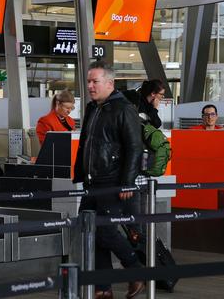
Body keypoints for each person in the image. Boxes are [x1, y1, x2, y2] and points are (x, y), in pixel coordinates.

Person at [74, 61, 144, 299]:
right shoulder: (92, 108)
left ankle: (135, 270)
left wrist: (127, 182)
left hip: (112, 181)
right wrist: (81, 174)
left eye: (95, 81)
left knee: (104, 231)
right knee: (90, 232)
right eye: (89, 81)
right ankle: (103, 288)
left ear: (110, 83)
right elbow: (86, 143)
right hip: (92, 182)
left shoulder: (123, 109)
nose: (91, 86)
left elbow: (135, 147)